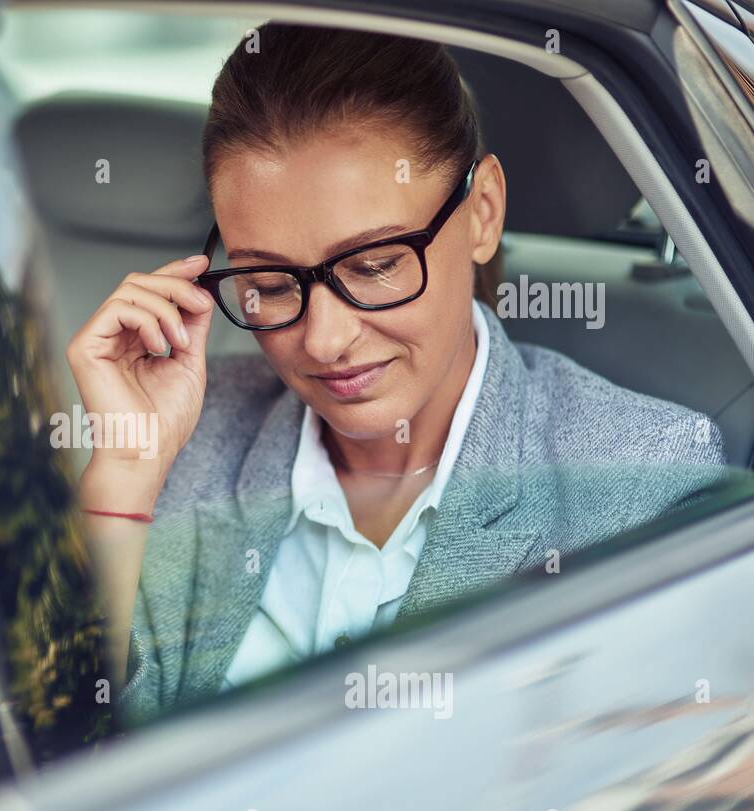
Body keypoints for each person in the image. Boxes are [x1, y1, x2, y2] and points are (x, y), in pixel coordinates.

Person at [65, 24, 727, 722]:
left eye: (374, 265)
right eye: (270, 281)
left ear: (482, 213)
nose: (324, 339)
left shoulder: (645, 479)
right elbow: (51, 751)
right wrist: (125, 476)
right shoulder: (184, 439)